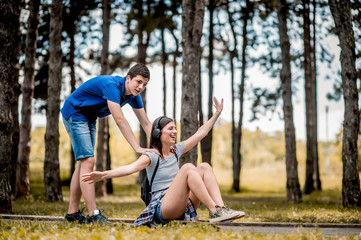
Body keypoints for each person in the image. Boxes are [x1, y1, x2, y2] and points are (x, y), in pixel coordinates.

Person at [82, 97, 246, 226]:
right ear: (159, 133)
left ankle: (220, 210)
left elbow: (200, 133)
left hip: (182, 204)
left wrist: (217, 113)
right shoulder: (152, 155)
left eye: (175, 128)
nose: (174, 131)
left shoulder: (177, 150)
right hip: (163, 207)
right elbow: (129, 169)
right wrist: (103, 175)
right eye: (170, 129)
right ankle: (214, 210)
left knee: (204, 166)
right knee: (189, 167)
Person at [61, 63, 159, 224]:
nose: (141, 87)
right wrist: (138, 148)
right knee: (88, 161)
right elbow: (120, 120)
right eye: (138, 82)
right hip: (75, 112)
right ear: (128, 78)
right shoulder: (111, 86)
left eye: (145, 84)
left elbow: (146, 124)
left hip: (89, 117)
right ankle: (93, 214)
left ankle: (72, 214)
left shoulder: (134, 96)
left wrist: (159, 147)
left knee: (82, 164)